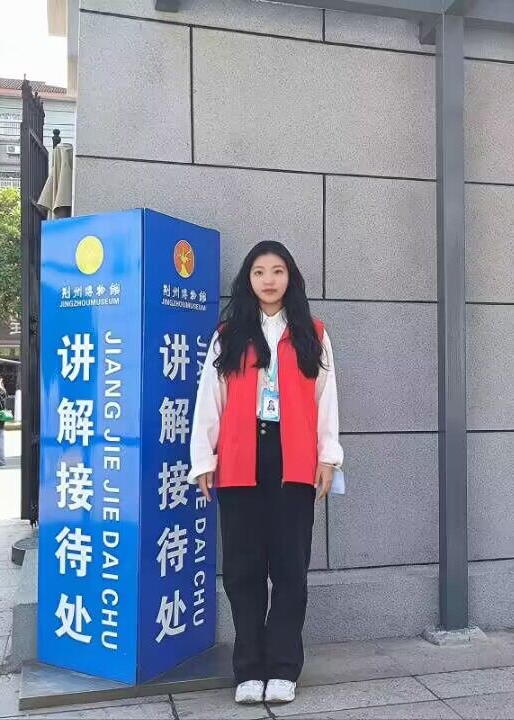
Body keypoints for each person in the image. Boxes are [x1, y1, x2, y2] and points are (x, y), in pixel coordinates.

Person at [189, 241, 343, 706]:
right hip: (239, 458)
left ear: (290, 277)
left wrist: (328, 457)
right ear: (248, 280)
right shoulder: (229, 334)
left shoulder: (312, 332)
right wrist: (204, 459)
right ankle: (249, 669)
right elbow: (209, 398)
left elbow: (326, 399)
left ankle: (283, 667)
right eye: (259, 272)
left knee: (290, 567)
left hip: (293, 458)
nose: (269, 280)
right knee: (242, 569)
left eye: (277, 271)